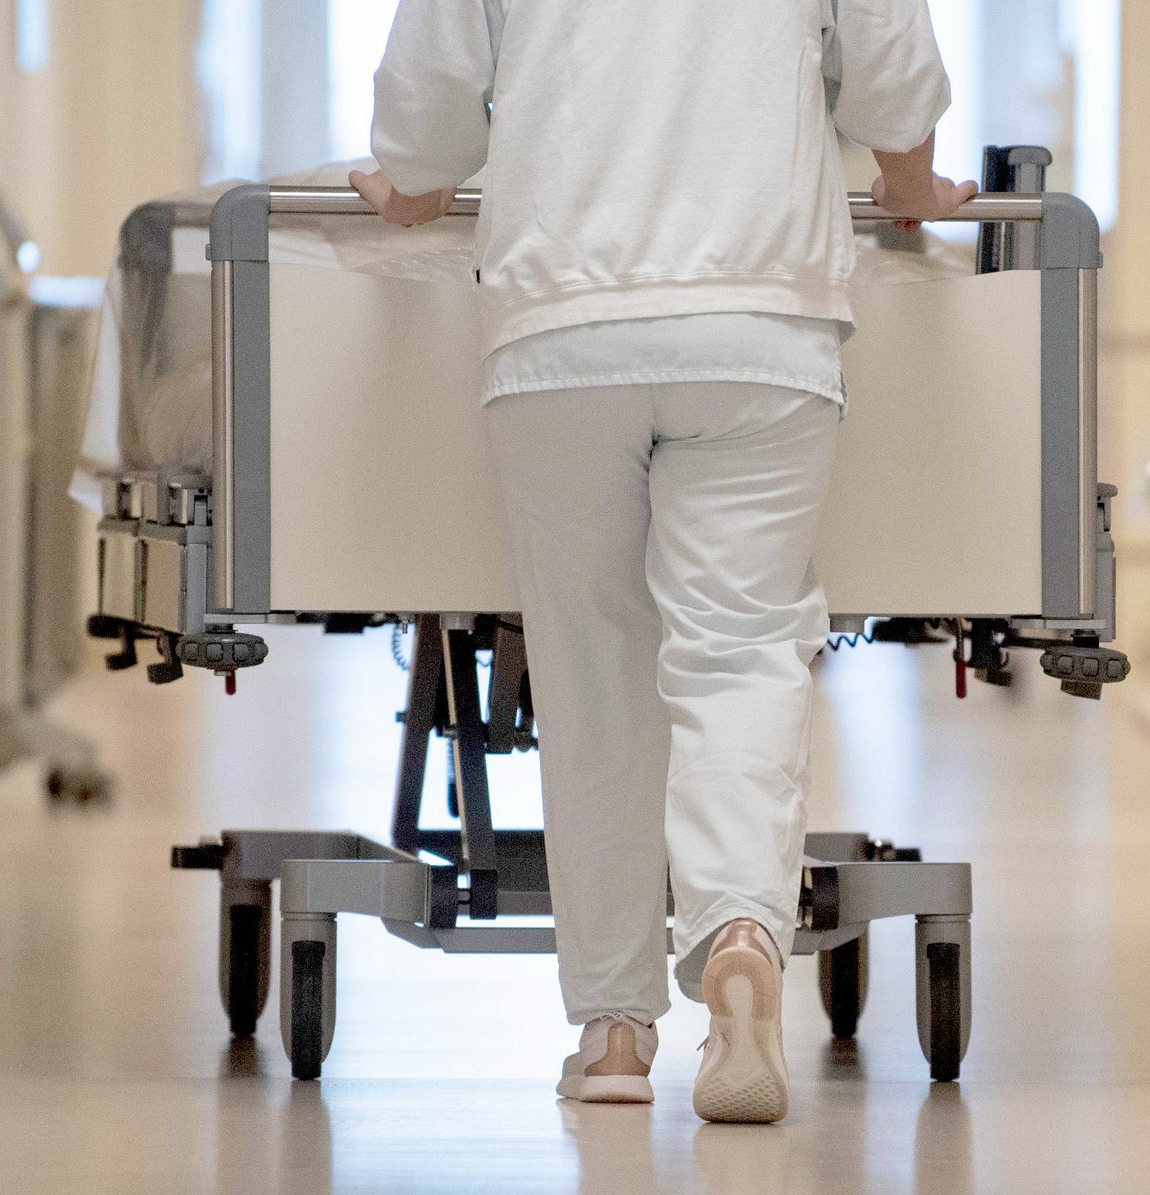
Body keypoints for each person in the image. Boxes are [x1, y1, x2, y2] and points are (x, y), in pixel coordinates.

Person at [352, 0, 973, 1124]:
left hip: (562, 320)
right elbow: (891, 68)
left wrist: (413, 180)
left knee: (593, 673)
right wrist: (913, 182)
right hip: (761, 320)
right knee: (742, 647)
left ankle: (614, 1031)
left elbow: (428, 96)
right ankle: (739, 929)